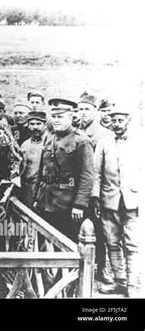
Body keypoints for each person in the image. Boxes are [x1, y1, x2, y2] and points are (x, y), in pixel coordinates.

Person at [92, 107, 142, 297]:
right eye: (114, 121)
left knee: (133, 245)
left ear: (128, 121)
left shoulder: (139, 141)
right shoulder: (104, 143)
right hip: (109, 200)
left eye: (121, 120)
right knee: (112, 242)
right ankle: (119, 282)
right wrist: (96, 198)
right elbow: (96, 173)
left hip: (134, 201)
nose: (117, 124)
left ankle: (134, 287)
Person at [35, 98, 94, 242]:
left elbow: (87, 175)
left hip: (67, 203)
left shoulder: (81, 141)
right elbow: (42, 170)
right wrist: (38, 197)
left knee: (67, 242)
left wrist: (79, 205)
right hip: (47, 200)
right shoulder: (49, 138)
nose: (55, 120)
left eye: (59, 117)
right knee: (46, 242)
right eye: (53, 117)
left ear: (71, 117)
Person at [78, 92, 115, 283]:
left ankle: (101, 268)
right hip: (76, 191)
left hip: (94, 191)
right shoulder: (76, 131)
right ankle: (80, 267)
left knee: (98, 231)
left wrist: (95, 196)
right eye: (80, 109)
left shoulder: (104, 134)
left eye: (87, 109)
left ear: (96, 112)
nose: (83, 113)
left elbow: (98, 169)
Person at [20, 111, 48, 208]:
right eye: (32, 124)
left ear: (45, 125)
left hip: (44, 191)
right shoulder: (25, 145)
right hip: (27, 189)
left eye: (38, 124)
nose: (35, 127)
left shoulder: (50, 143)